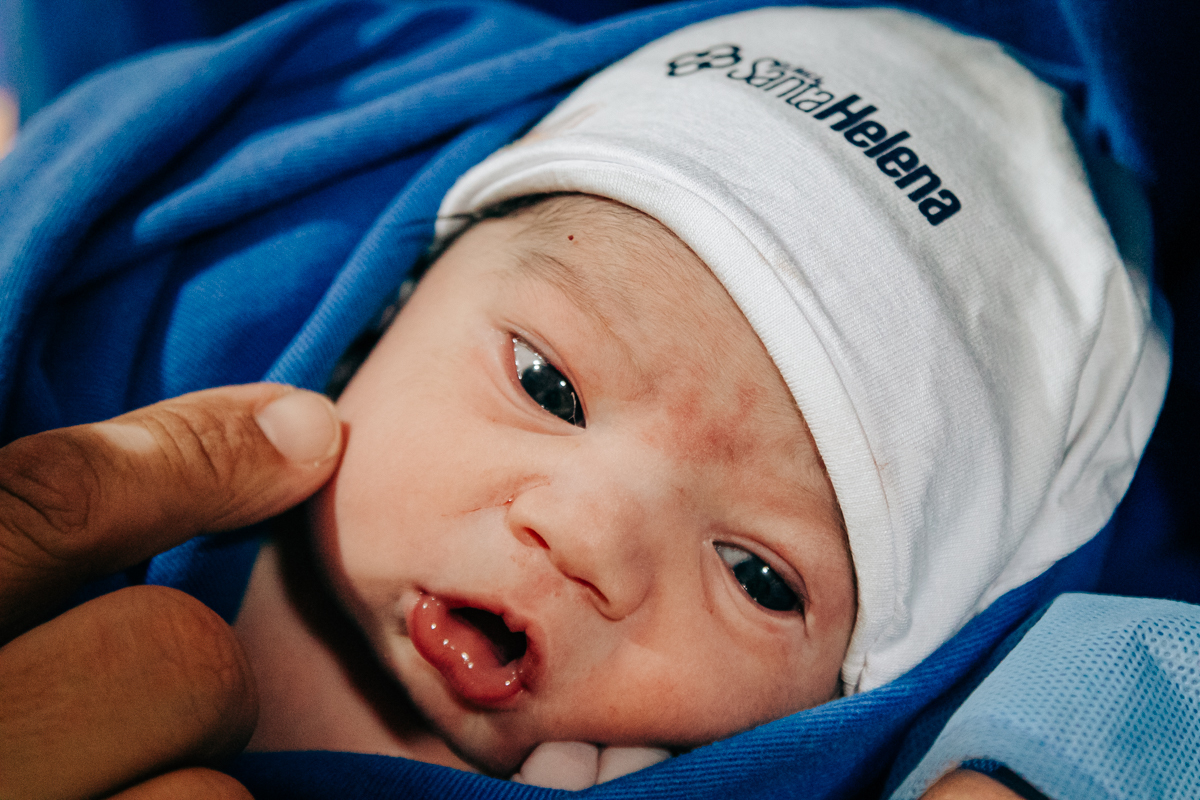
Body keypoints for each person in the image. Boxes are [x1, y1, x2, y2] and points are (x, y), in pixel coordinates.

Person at [0, 3, 1183, 800]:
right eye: (546, 384)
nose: (586, 534)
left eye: (760, 575)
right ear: (388, 304)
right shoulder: (72, 415)